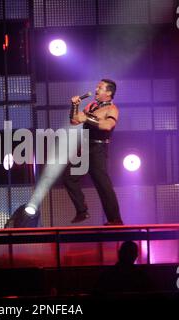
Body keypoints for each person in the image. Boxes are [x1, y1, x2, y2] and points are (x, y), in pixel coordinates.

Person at [63, 79, 123, 225]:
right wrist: (75, 106)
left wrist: (88, 118)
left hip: (98, 150)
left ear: (108, 92)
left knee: (103, 185)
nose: (96, 90)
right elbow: (75, 120)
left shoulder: (112, 109)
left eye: (100, 88)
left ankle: (115, 220)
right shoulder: (92, 105)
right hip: (85, 149)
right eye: (97, 87)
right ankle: (82, 211)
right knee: (69, 178)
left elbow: (108, 125)